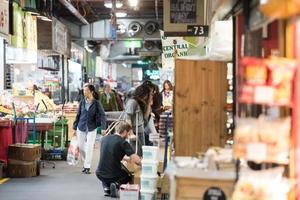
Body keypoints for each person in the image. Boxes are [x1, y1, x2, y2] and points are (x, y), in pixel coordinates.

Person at [96, 121, 141, 197]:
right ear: (125, 132)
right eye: (128, 133)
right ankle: (116, 184)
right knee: (128, 176)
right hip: (114, 175)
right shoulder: (123, 142)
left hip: (99, 173)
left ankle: (107, 188)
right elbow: (136, 160)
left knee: (106, 169)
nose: (128, 136)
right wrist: (145, 164)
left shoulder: (104, 139)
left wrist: (125, 159)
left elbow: (110, 152)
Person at [73, 83, 107, 174]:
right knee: (80, 146)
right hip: (81, 126)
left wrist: (103, 128)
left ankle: (87, 166)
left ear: (91, 91)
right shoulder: (82, 102)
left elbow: (103, 115)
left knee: (89, 147)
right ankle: (85, 162)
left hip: (92, 127)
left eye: (86, 90)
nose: (84, 92)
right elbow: (78, 115)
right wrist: (74, 128)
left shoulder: (96, 103)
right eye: (83, 90)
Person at [125, 84, 153, 156]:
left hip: (140, 131)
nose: (151, 96)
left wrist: (148, 104)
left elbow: (145, 119)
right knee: (134, 154)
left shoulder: (142, 103)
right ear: (144, 94)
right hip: (134, 132)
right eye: (150, 94)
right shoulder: (132, 102)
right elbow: (127, 118)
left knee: (140, 153)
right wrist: (131, 133)